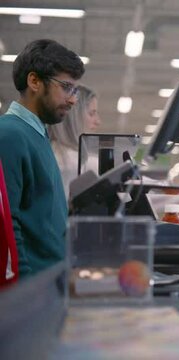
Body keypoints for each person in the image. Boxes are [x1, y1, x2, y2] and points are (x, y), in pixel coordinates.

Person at [0, 39, 85, 278]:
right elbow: (6, 226)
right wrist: (25, 291)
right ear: (34, 81)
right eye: (67, 87)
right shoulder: (9, 135)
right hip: (31, 291)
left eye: (75, 91)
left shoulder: (36, 134)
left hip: (48, 283)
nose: (73, 99)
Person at [48, 84, 100, 196]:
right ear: (73, 117)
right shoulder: (88, 164)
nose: (97, 121)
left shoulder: (44, 154)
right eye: (92, 113)